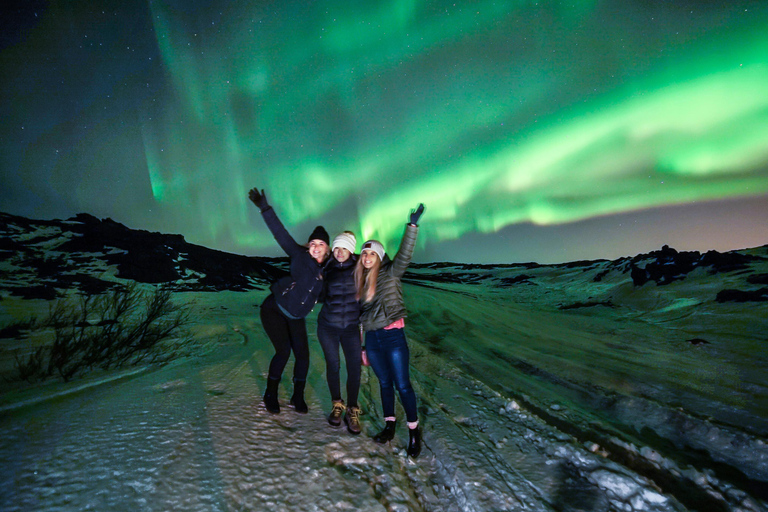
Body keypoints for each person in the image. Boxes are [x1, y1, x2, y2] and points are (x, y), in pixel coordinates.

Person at [248, 187, 330, 414]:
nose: (314, 246)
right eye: (312, 242)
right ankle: (270, 394)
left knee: (303, 355)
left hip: (296, 317)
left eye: (320, 244)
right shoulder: (298, 256)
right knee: (283, 351)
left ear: (327, 249)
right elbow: (280, 233)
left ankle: (297, 397)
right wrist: (265, 208)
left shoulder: (327, 273)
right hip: (274, 309)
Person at [356, 203, 425, 458]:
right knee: (384, 383)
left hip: (393, 336)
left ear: (380, 256)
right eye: (363, 254)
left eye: (371, 254)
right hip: (373, 339)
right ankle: (389, 426)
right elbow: (361, 317)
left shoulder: (392, 273)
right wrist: (363, 345)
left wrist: (412, 226)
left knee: (402, 385)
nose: (366, 258)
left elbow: (405, 254)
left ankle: (414, 431)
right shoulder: (361, 282)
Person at [316, 231, 362, 434]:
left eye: (344, 248)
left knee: (354, 368)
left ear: (351, 249)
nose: (340, 252)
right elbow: (319, 296)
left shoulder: (361, 267)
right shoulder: (326, 268)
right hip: (328, 326)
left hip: (351, 327)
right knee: (333, 365)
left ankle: (352, 409)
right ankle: (337, 405)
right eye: (336, 248)